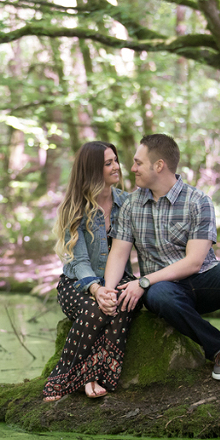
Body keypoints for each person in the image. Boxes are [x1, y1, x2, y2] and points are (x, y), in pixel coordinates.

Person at [98, 133, 220, 381]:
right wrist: (109, 291)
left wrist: (144, 281)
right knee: (160, 295)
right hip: (165, 290)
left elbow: (195, 262)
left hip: (203, 278)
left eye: (138, 163)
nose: (132, 169)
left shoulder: (198, 201)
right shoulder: (131, 206)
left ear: (159, 165)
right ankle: (219, 349)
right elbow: (119, 254)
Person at [43, 141, 141, 402]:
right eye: (108, 163)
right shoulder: (74, 208)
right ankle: (62, 376)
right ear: (93, 170)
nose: (116, 166)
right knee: (95, 310)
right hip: (78, 284)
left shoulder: (128, 203)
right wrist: (97, 289)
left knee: (124, 305)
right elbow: (78, 260)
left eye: (116, 160)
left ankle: (91, 376)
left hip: (119, 280)